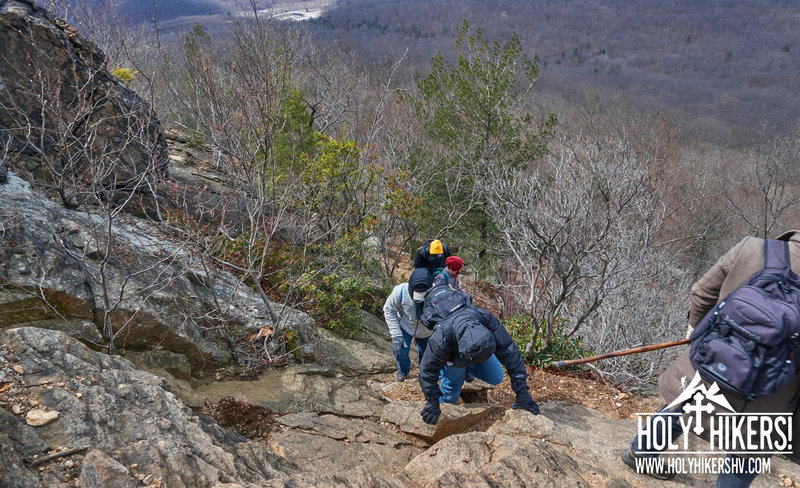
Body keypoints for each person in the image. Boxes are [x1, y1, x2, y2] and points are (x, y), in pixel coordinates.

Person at [621, 230, 800, 486]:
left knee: (686, 402)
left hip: (714, 362)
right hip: (771, 394)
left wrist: (696, 333)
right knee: (752, 446)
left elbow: (702, 292)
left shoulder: (753, 248)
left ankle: (641, 452)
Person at [416, 285, 539, 423]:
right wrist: (432, 402)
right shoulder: (441, 338)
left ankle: (469, 368)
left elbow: (510, 351)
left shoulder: (484, 317)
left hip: (476, 347)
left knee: (497, 377)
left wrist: (522, 392)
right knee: (451, 395)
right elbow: (426, 372)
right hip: (454, 356)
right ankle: (448, 394)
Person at [383, 268, 434, 382]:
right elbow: (389, 310)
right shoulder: (400, 291)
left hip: (427, 331)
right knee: (400, 352)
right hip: (406, 326)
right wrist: (396, 335)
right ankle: (403, 370)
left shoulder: (437, 293)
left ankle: (424, 372)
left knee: (426, 356)